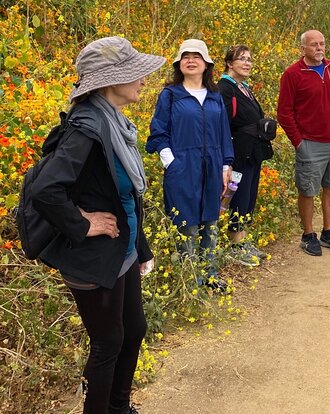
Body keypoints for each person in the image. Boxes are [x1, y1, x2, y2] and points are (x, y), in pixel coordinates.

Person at [32, 36, 165, 413]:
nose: (143, 79)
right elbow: (46, 190)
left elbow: (125, 196)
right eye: (135, 73)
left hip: (119, 251)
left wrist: (140, 249)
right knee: (108, 342)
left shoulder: (114, 123)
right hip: (92, 256)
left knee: (134, 330)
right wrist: (83, 222)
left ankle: (120, 407)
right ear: (110, 82)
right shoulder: (86, 129)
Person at [146, 39, 234, 285]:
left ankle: (210, 275)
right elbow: (158, 131)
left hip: (213, 166)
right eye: (186, 56)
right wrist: (170, 161)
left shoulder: (215, 96)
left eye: (197, 56)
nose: (191, 60)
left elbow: (224, 133)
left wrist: (227, 164)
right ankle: (190, 281)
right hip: (183, 166)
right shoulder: (171, 95)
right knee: (187, 224)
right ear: (179, 63)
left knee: (211, 222)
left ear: (206, 64)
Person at [277, 29, 330, 257]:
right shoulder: (293, 74)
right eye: (314, 45)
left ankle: (328, 232)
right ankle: (308, 235)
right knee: (307, 190)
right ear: (303, 48)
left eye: (322, 44)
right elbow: (284, 113)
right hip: (310, 143)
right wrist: (299, 142)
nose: (319, 48)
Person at [217, 45, 273, 266]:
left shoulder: (244, 88)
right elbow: (222, 125)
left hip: (252, 152)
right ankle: (236, 246)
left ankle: (242, 242)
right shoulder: (225, 89)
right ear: (230, 63)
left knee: (248, 196)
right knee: (238, 198)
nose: (247, 63)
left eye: (250, 59)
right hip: (237, 154)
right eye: (242, 59)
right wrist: (225, 160)